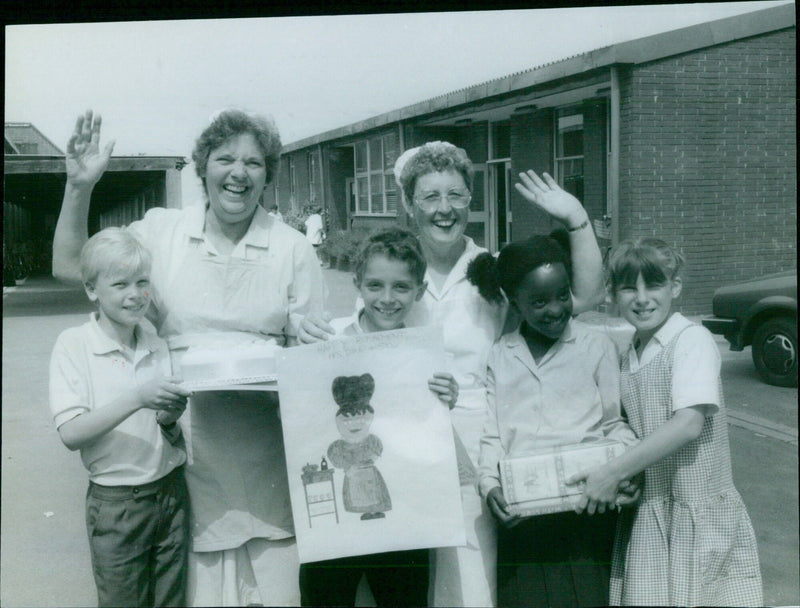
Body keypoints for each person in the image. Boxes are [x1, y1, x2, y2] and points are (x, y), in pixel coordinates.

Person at [299, 142, 606, 606]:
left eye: (456, 195)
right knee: (405, 574)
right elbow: (355, 350)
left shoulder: (493, 269)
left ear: (470, 199)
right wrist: (312, 335)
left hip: (476, 440)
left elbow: (581, 297)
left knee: (471, 574)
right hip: (403, 443)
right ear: (409, 205)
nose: (444, 209)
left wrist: (576, 219)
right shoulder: (396, 272)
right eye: (430, 197)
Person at [52, 109, 325, 606]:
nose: (239, 173)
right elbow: (72, 267)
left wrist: (312, 344)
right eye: (225, 159)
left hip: (265, 457)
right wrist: (79, 188)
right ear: (202, 167)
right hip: (180, 465)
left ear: (268, 174)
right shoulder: (163, 230)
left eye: (254, 163)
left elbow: (314, 366)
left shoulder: (293, 249)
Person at [570, 238, 763, 606]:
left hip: (696, 511)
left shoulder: (691, 340)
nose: (642, 298)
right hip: (652, 507)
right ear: (613, 294)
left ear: (674, 286)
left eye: (653, 284)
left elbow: (688, 423)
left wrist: (612, 472)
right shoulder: (630, 352)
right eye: (629, 287)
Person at [467, 235, 638, 608]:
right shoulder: (501, 354)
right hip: (524, 518)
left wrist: (624, 469)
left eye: (562, 295)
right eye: (539, 301)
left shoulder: (595, 346)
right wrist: (490, 484)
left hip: (587, 512)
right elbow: (493, 434)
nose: (556, 309)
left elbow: (614, 425)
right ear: (516, 304)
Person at [299, 227, 460, 607]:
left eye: (401, 288)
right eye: (374, 286)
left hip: (404, 524)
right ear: (357, 284)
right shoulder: (328, 341)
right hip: (334, 532)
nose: (386, 299)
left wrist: (446, 401)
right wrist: (299, 350)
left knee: (404, 598)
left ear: (419, 291)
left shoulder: (425, 356)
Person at [49, 228, 191, 607]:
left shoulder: (156, 343)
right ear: (92, 289)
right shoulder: (75, 344)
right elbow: (71, 432)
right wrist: (137, 398)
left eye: (142, 282)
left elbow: (167, 427)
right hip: (117, 504)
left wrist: (168, 420)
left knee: (171, 602)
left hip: (171, 493)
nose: (135, 293)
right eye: (120, 284)